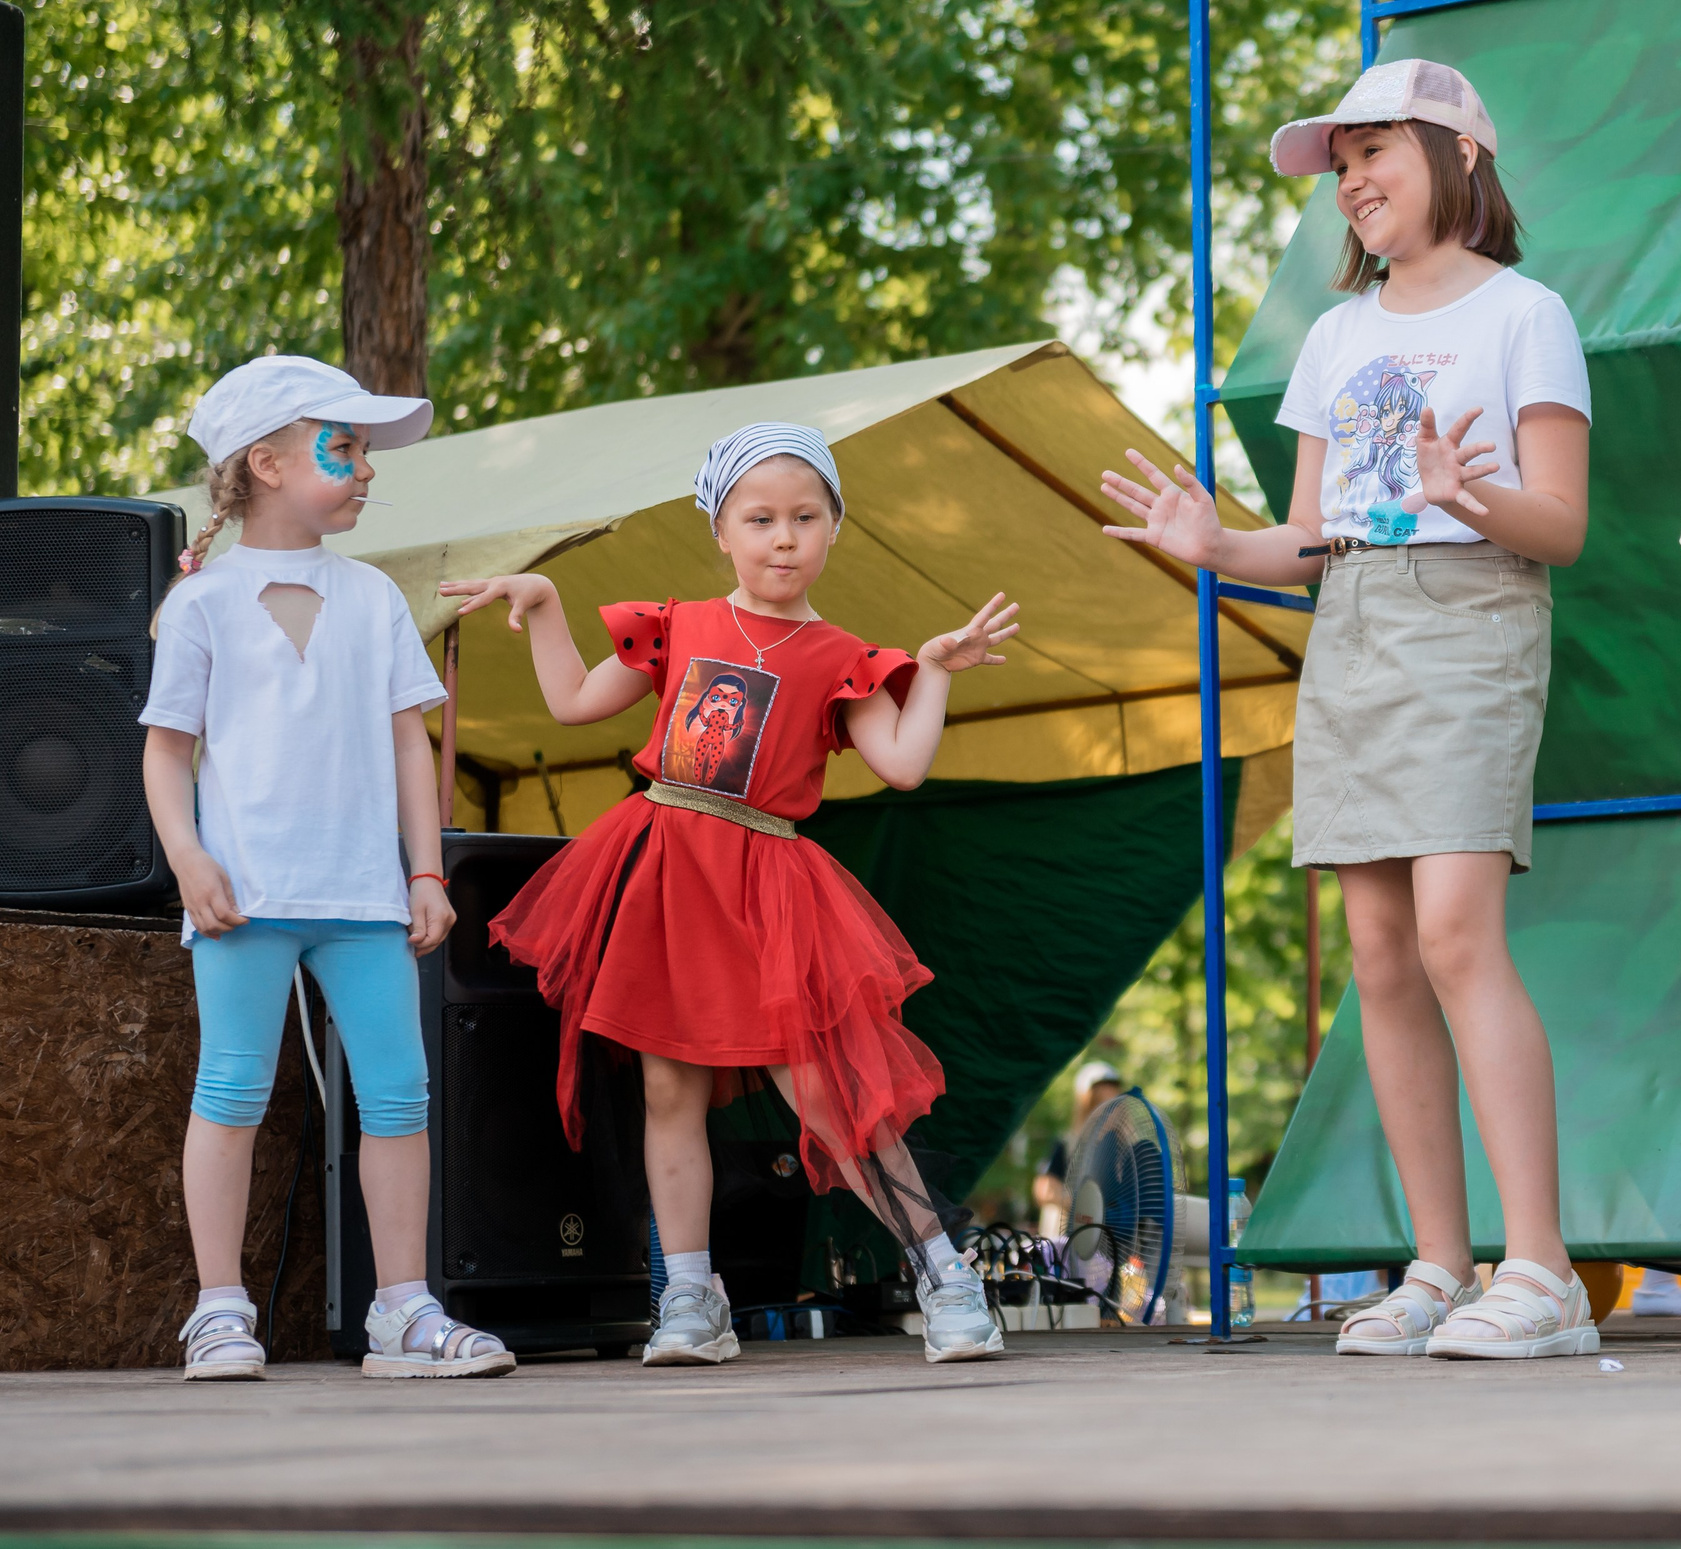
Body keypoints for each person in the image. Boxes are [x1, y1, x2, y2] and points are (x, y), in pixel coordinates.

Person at [1099, 59, 1599, 1359]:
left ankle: (1536, 1268)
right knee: (1378, 949)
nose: (1354, 180)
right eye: (1341, 164)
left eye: (1377, 150)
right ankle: (1438, 1264)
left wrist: (1464, 490)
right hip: (1357, 624)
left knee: (1452, 931)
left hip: (1475, 607)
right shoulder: (1335, 336)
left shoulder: (1525, 314)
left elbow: (1562, 523)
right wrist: (1214, 547)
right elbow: (1312, 542)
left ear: (1462, 158)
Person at [439, 423, 1020, 1365]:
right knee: (670, 1089)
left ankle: (945, 1274)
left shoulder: (844, 656)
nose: (782, 536)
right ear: (720, 528)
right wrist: (544, 601)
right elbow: (575, 702)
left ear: (835, 526)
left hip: (770, 890)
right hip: (667, 875)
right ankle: (690, 1297)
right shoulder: (677, 626)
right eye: (760, 518)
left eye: (805, 516)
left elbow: (904, 765)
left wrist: (938, 675)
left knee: (829, 1094)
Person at [143, 356, 516, 1382]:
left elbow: (408, 744)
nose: (360, 469)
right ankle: (219, 1308)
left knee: (400, 1095)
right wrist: (188, 859)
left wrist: (428, 873)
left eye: (358, 451)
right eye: (339, 447)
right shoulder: (201, 606)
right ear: (263, 461)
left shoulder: (375, 598)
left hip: (362, 899)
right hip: (243, 900)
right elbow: (166, 750)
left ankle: (403, 1309)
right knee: (229, 1088)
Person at [1034, 1060, 1124, 1239]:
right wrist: (1079, 1204)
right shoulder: (1067, 1144)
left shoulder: (1122, 1151)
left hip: (1107, 1245)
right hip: (1065, 1242)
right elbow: (1044, 1189)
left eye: (1112, 1104)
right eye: (1099, 1102)